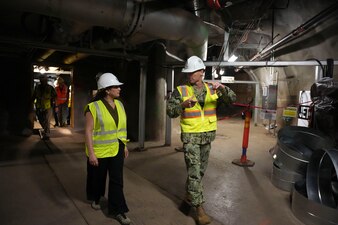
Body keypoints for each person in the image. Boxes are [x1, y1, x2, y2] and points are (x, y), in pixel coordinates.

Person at [166, 56, 236, 225]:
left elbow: (232, 100)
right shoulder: (181, 90)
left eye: (192, 72)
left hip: (207, 137)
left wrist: (223, 88)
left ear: (201, 72)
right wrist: (182, 105)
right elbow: (170, 111)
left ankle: (188, 197)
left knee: (200, 172)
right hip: (190, 138)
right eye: (188, 72)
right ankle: (200, 210)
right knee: (194, 173)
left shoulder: (213, 89)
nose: (189, 75)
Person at [84, 72, 131, 225]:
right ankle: (96, 198)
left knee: (117, 180)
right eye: (116, 86)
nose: (119, 89)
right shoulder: (93, 107)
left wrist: (124, 145)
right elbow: (88, 131)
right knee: (98, 178)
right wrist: (91, 154)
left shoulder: (120, 105)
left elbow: (121, 128)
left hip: (117, 148)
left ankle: (118, 210)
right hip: (99, 150)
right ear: (106, 90)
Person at [32, 74, 57, 140]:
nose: (42, 81)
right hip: (39, 106)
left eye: (44, 80)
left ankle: (47, 133)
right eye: (41, 80)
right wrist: (31, 103)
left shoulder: (50, 88)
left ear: (46, 80)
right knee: (40, 119)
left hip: (48, 106)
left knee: (47, 120)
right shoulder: (37, 87)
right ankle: (45, 129)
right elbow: (34, 96)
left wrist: (50, 99)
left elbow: (55, 95)